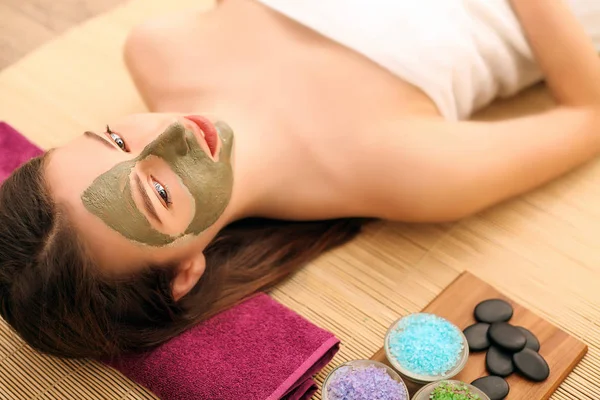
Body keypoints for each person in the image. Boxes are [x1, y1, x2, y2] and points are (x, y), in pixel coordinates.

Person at [1, 0, 600, 360]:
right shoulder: (405, 173)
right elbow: (590, 115)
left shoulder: (157, 49)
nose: (171, 136)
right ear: (186, 272)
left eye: (113, 139)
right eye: (158, 194)